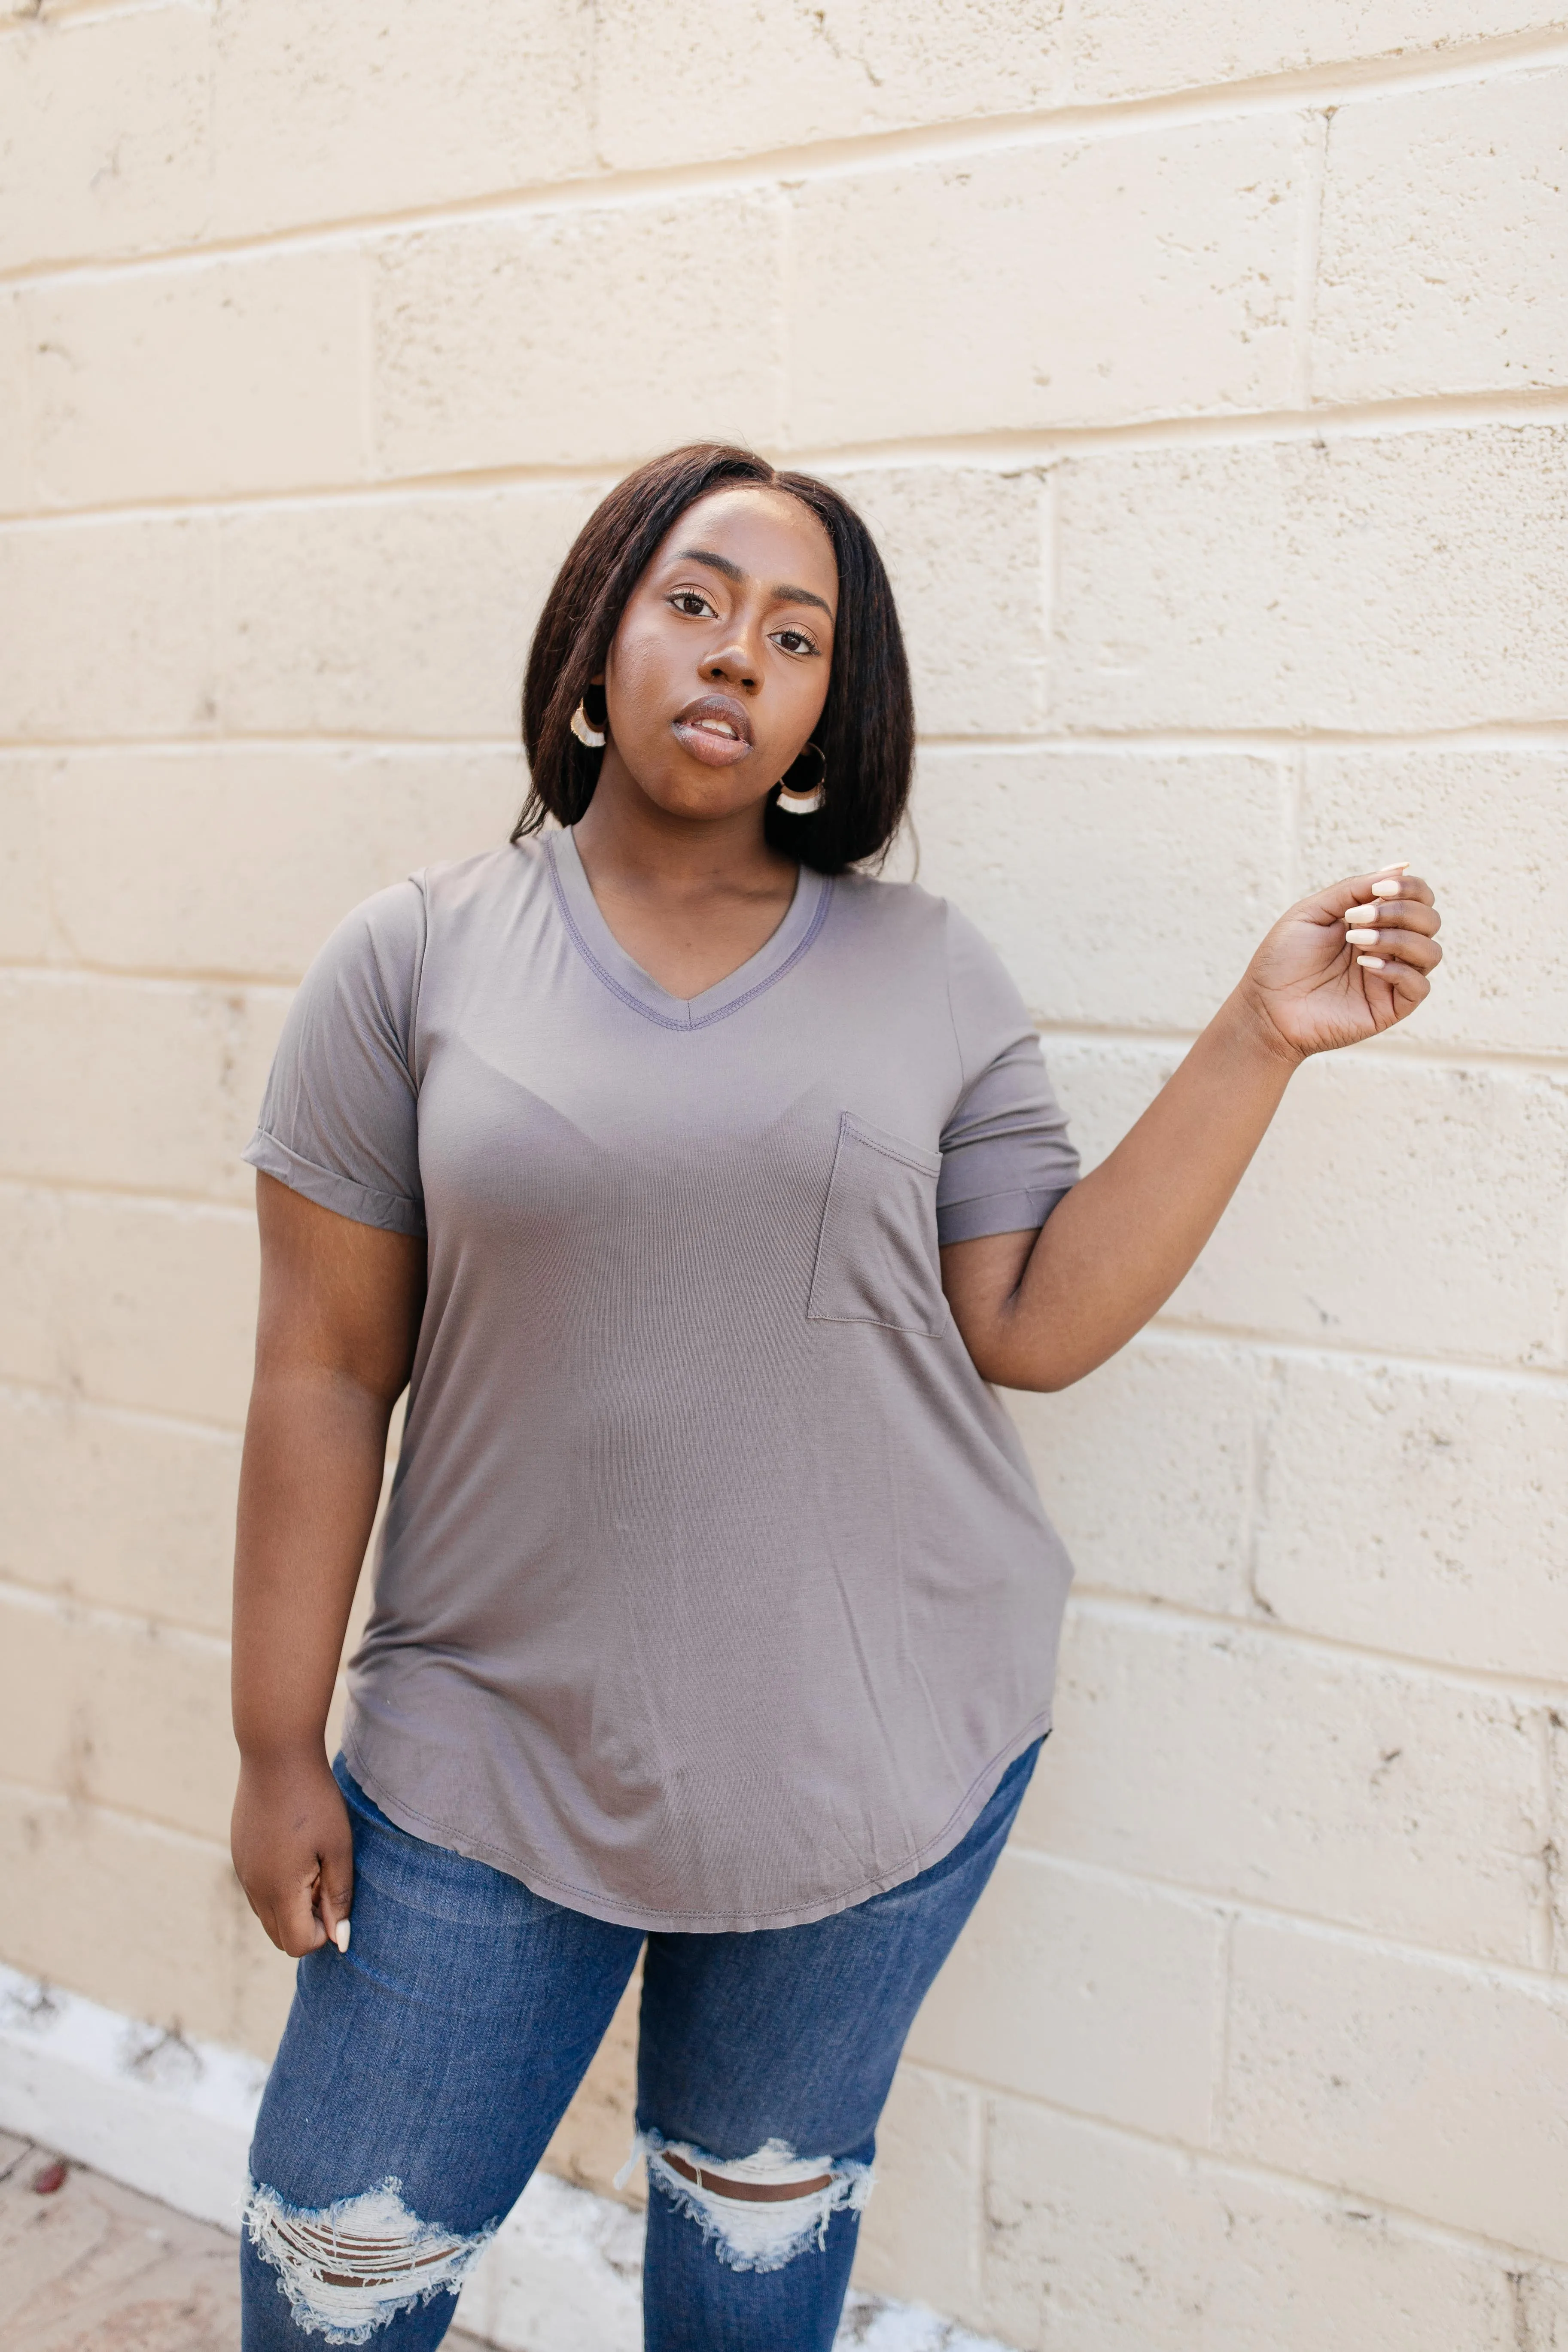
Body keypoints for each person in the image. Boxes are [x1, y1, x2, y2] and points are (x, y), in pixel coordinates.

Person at [230, 443, 1443, 2351]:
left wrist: (1257, 1036)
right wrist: (277, 1741)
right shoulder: (413, 959)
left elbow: (1031, 1321)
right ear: (597, 638)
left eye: (796, 636)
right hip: (481, 1764)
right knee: (335, 2283)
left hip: (868, 1767)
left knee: (747, 2296)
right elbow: (323, 1366)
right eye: (695, 602)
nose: (738, 657)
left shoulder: (927, 967)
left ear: (830, 705)